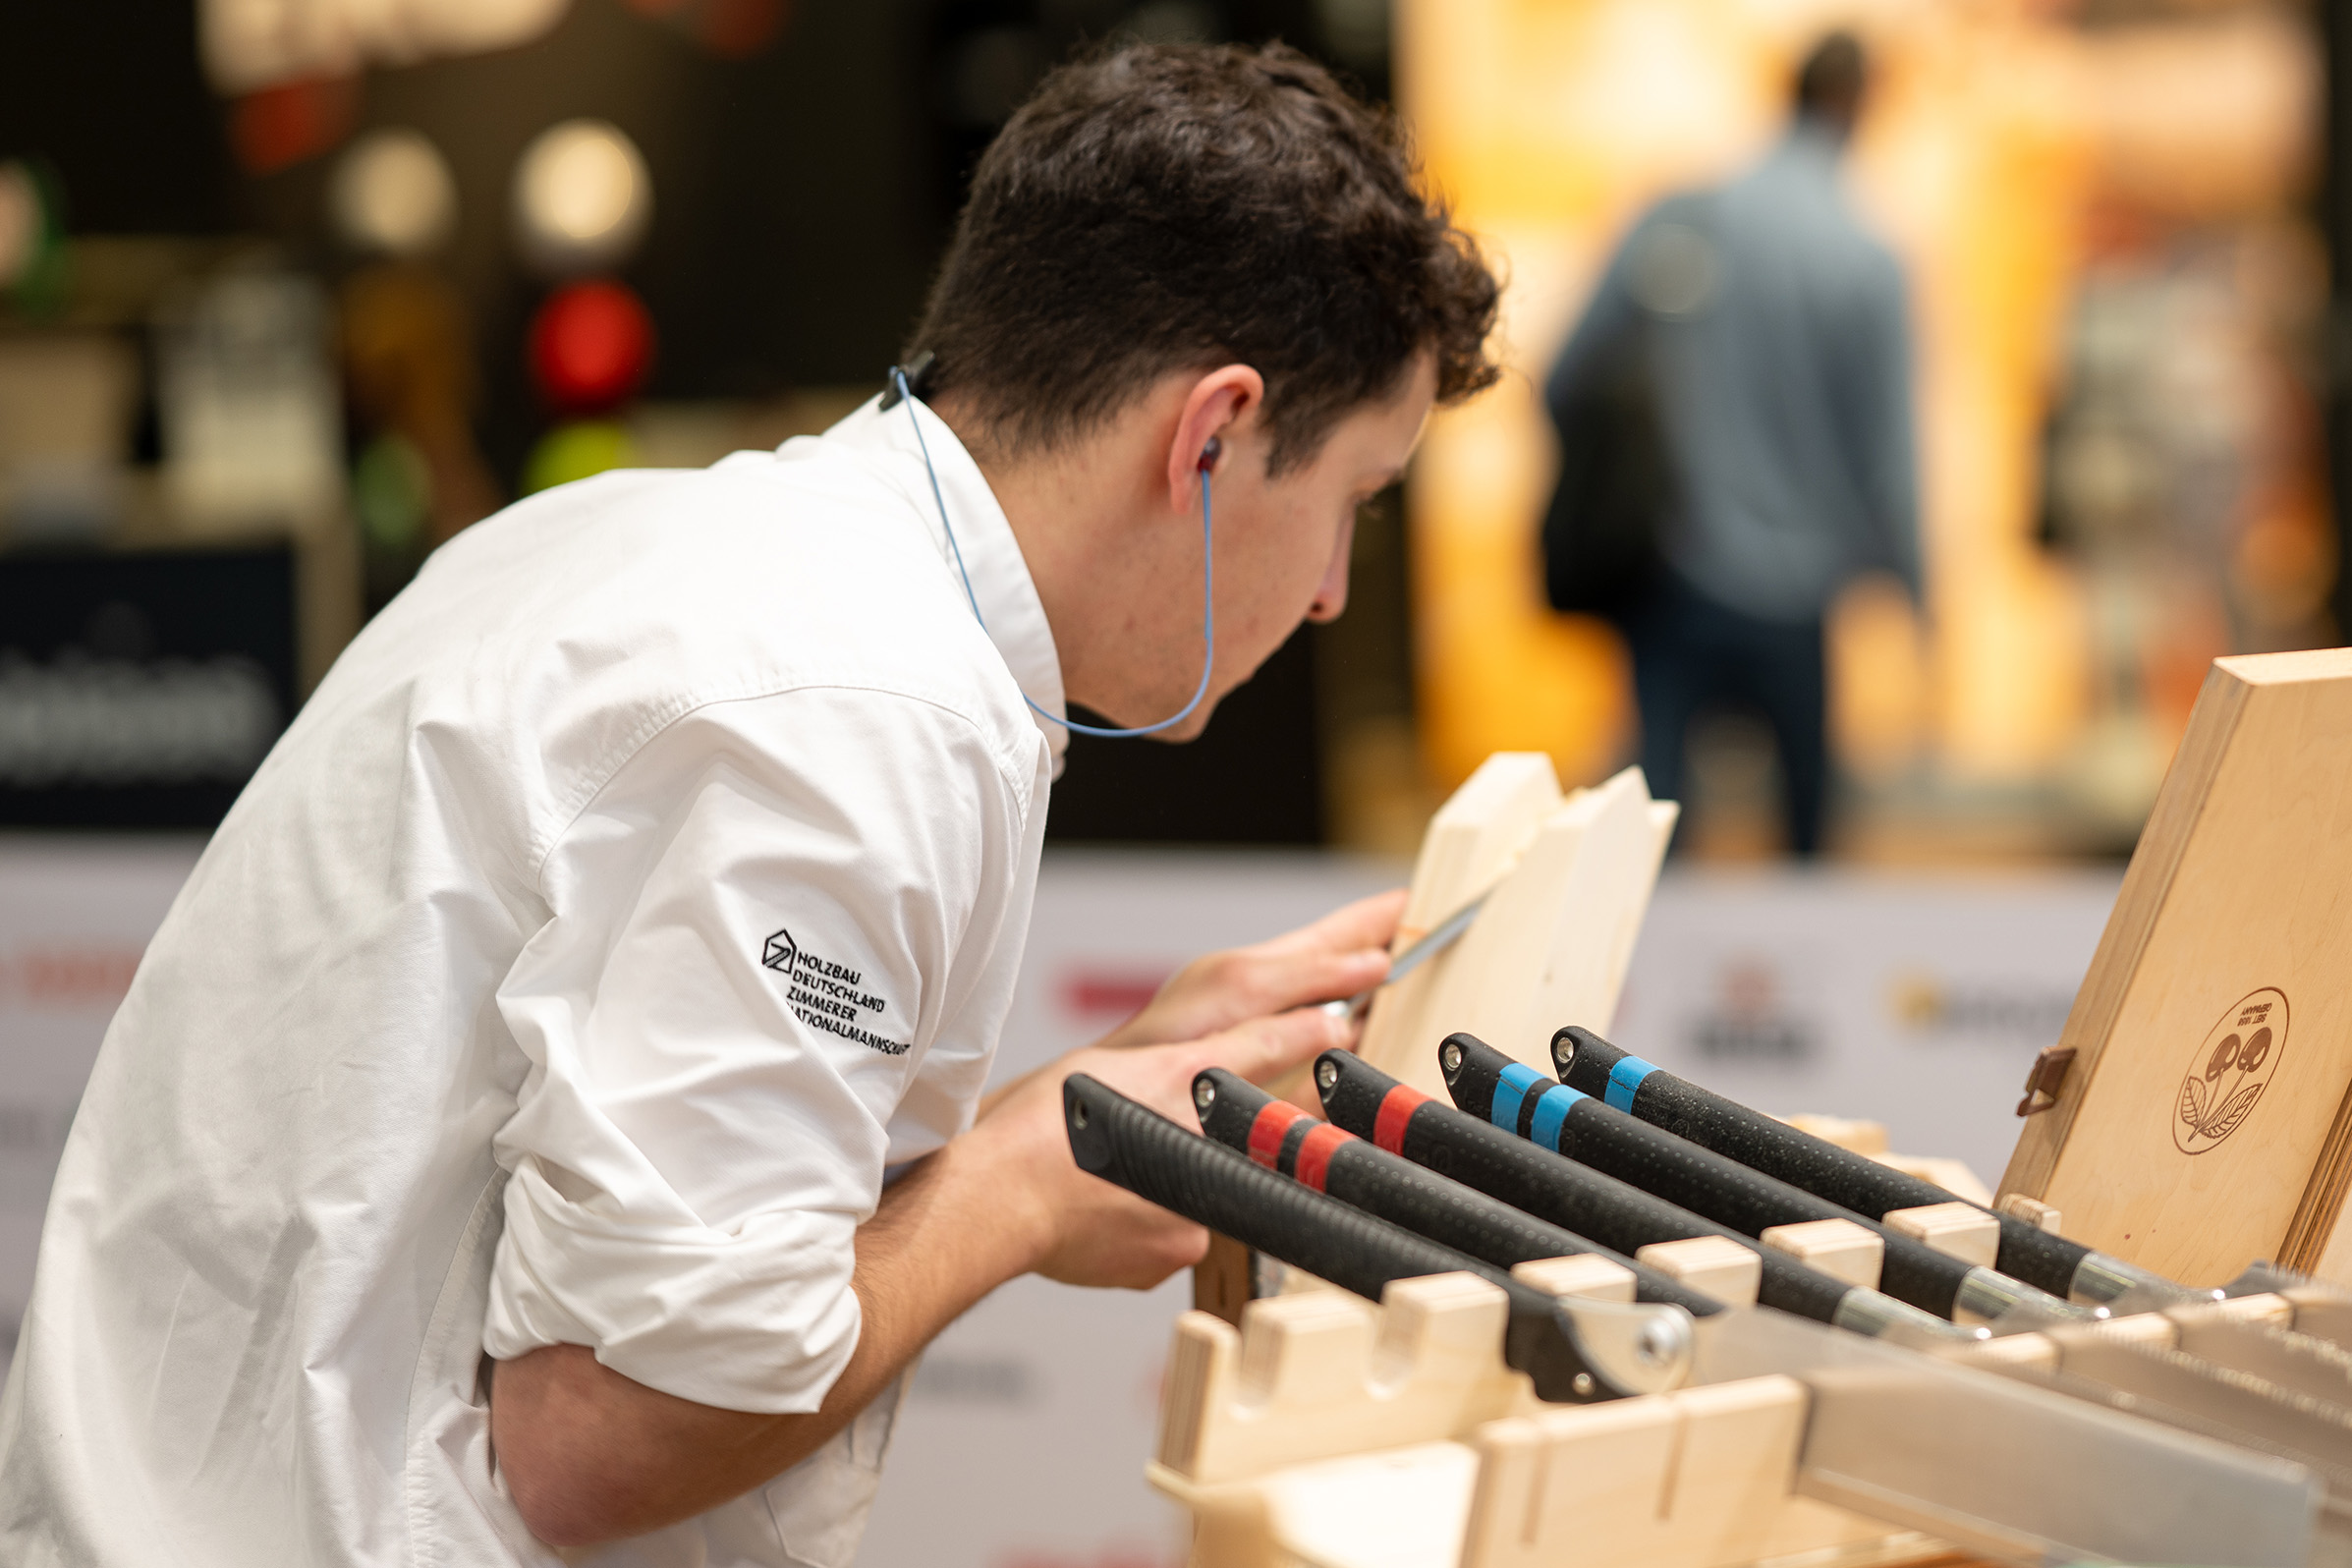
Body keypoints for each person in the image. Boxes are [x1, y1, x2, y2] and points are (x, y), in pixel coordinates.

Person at [0, 42, 1499, 1567]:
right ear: (1210, 434)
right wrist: (1024, 1182)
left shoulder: (661, 548)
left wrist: (1080, 1111)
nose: (1330, 591)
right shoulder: (863, 701)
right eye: (1353, 502)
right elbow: (606, 1434)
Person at [1543, 31, 1919, 857]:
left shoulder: (1683, 217)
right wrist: (1917, 593)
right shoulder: (1865, 259)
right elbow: (1887, 455)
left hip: (1671, 573)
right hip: (1798, 592)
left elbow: (1566, 377)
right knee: (1808, 846)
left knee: (1647, 841)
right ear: (1862, 106)